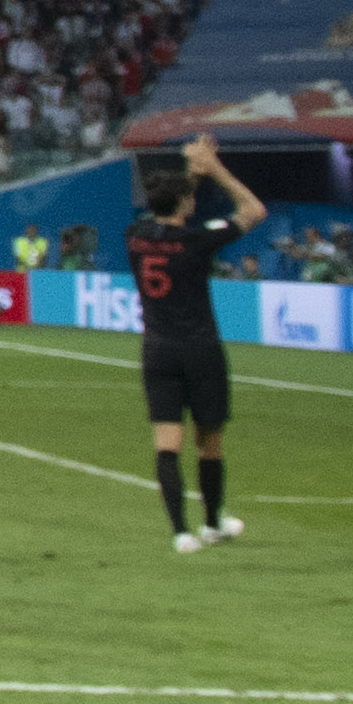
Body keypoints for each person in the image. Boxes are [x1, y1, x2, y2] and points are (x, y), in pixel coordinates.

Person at [124, 135, 261, 553]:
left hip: (158, 351)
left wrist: (191, 174)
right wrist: (213, 169)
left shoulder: (136, 235)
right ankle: (213, 523)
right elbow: (253, 211)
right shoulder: (197, 240)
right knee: (210, 442)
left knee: (167, 444)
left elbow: (169, 210)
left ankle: (181, 533)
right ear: (185, 203)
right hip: (200, 350)